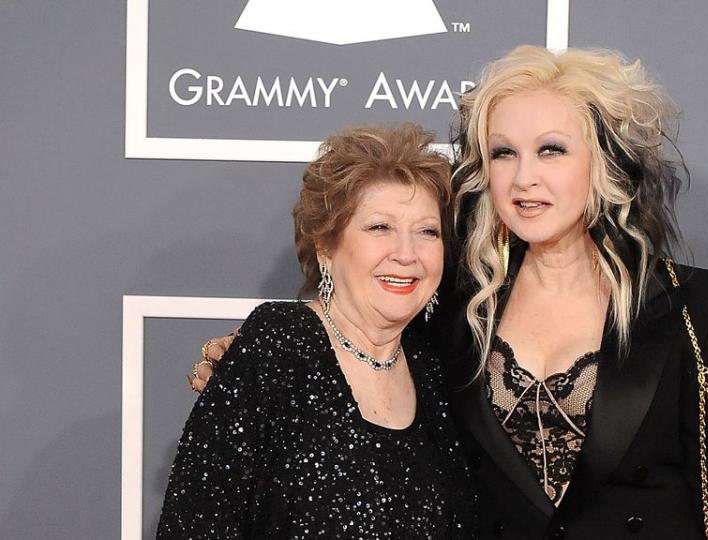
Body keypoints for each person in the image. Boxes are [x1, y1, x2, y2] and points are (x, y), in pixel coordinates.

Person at [190, 45, 708, 539]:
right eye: (504, 153)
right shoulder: (449, 301)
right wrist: (256, 359)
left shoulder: (693, 304)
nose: (524, 179)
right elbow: (361, 347)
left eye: (551, 149)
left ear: (602, 162)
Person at [159, 123, 477, 539]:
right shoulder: (278, 345)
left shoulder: (433, 366)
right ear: (326, 245)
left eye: (426, 231)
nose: (406, 254)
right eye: (380, 227)